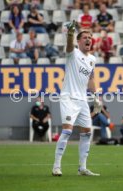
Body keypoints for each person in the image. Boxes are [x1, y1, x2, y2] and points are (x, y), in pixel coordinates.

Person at [52, 21, 101, 176]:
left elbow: (91, 79)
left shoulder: (92, 59)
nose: (88, 40)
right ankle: (56, 166)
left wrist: (96, 96)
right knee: (67, 131)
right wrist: (71, 34)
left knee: (87, 132)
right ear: (79, 41)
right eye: (85, 37)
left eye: (90, 38)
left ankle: (82, 168)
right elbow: (68, 45)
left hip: (82, 100)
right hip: (68, 97)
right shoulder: (72, 53)